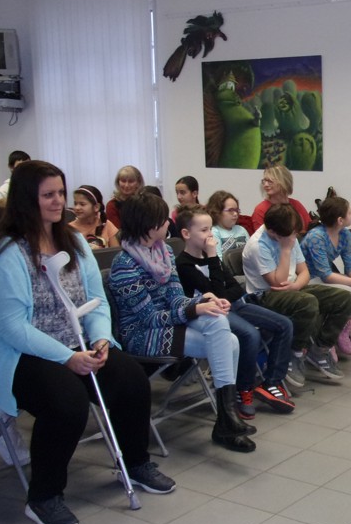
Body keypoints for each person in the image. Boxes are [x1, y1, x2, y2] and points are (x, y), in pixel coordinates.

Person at [0, 161, 175, 524]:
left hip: (76, 343)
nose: (58, 201)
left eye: (60, 193)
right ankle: (43, 496)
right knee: (66, 401)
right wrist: (67, 357)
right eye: (48, 195)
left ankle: (135, 462)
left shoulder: (75, 242)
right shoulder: (4, 250)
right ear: (25, 199)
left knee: (130, 378)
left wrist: (101, 339)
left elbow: (96, 300)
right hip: (18, 354)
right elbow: (11, 326)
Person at [107, 193, 256, 452]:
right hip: (142, 334)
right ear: (149, 225)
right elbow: (148, 318)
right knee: (228, 341)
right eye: (163, 219)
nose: (168, 223)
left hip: (169, 323)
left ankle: (226, 418)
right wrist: (194, 309)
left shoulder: (164, 251)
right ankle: (226, 420)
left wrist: (203, 301)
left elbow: (176, 298)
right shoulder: (124, 265)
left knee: (221, 324)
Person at [175, 205, 296, 418]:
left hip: (235, 304)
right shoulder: (184, 264)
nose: (210, 235)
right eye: (204, 230)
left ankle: (271, 382)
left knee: (284, 324)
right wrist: (213, 258)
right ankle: (243, 389)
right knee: (250, 335)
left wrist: (222, 291)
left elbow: (234, 288)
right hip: (211, 313)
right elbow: (215, 292)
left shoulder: (211, 257)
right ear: (186, 234)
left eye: (210, 229)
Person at [242, 203, 351, 381]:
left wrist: (296, 286)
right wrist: (285, 249)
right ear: (273, 232)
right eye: (292, 234)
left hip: (293, 288)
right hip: (264, 296)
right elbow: (277, 283)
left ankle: (320, 349)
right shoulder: (258, 245)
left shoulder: (288, 235)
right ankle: (294, 353)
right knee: (308, 302)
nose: (295, 237)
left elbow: (304, 272)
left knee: (344, 297)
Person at [301, 195, 351, 356]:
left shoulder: (345, 235)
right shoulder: (316, 237)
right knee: (348, 292)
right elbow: (326, 275)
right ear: (340, 220)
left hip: (324, 277)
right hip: (307, 279)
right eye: (349, 212)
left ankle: (342, 331)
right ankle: (326, 336)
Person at [250, 164, 311, 236]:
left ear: (284, 181)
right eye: (264, 181)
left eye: (270, 181)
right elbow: (261, 238)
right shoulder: (261, 209)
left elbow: (310, 229)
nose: (265, 185)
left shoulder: (296, 204)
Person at [69, 184, 119, 248]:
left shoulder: (107, 225)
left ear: (96, 207)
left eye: (82, 204)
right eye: (75, 204)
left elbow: (116, 251)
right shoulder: (70, 229)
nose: (77, 208)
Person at [207, 189, 249, 256]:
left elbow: (250, 252)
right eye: (230, 210)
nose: (235, 214)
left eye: (237, 210)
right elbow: (218, 258)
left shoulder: (241, 230)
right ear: (217, 212)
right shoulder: (214, 232)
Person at [105, 165, 144, 229]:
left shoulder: (145, 202)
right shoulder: (112, 205)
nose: (126, 185)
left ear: (138, 183)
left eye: (131, 181)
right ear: (118, 182)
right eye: (123, 181)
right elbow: (116, 232)